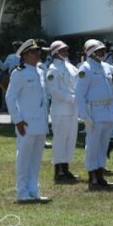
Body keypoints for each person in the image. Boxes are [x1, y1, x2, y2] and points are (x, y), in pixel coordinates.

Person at [6, 39, 50, 203]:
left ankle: (34, 190)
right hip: (26, 123)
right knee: (24, 158)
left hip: (40, 122)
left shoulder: (40, 71)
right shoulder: (19, 73)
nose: (39, 54)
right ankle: (22, 191)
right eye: (34, 52)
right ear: (25, 55)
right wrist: (17, 120)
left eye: (39, 51)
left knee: (36, 159)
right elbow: (10, 98)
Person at [76, 39, 113, 191]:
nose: (103, 53)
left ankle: (100, 174)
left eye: (103, 50)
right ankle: (92, 177)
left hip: (107, 111)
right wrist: (85, 117)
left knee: (103, 145)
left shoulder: (104, 67)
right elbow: (79, 95)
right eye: (99, 51)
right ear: (91, 53)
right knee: (93, 146)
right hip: (94, 112)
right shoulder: (85, 69)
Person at [45, 40, 79, 183]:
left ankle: (66, 168)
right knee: (60, 140)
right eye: (63, 50)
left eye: (66, 49)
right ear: (56, 52)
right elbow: (54, 91)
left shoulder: (70, 67)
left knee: (71, 139)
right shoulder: (53, 69)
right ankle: (58, 171)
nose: (66, 52)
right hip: (60, 109)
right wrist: (72, 98)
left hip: (72, 108)